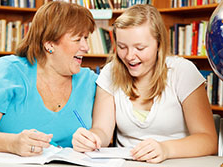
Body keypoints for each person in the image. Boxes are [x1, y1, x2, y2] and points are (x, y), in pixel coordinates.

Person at [72, 4, 218, 163]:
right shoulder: (109, 73)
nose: (129, 56)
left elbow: (208, 141)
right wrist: (92, 138)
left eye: (139, 48)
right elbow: (102, 131)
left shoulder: (182, 72)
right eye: (122, 47)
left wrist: (165, 149)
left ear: (158, 44)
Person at [0, 1, 97, 157]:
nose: (86, 47)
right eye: (78, 39)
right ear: (49, 44)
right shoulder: (6, 71)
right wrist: (11, 143)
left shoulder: (90, 81)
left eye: (86, 38)